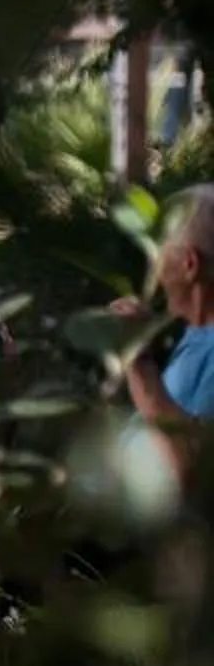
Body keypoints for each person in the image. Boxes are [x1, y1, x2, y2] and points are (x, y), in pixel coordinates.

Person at [114, 184, 214, 477]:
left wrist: (138, 361)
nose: (154, 264)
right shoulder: (197, 331)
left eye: (160, 249)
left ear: (189, 264)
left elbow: (195, 468)